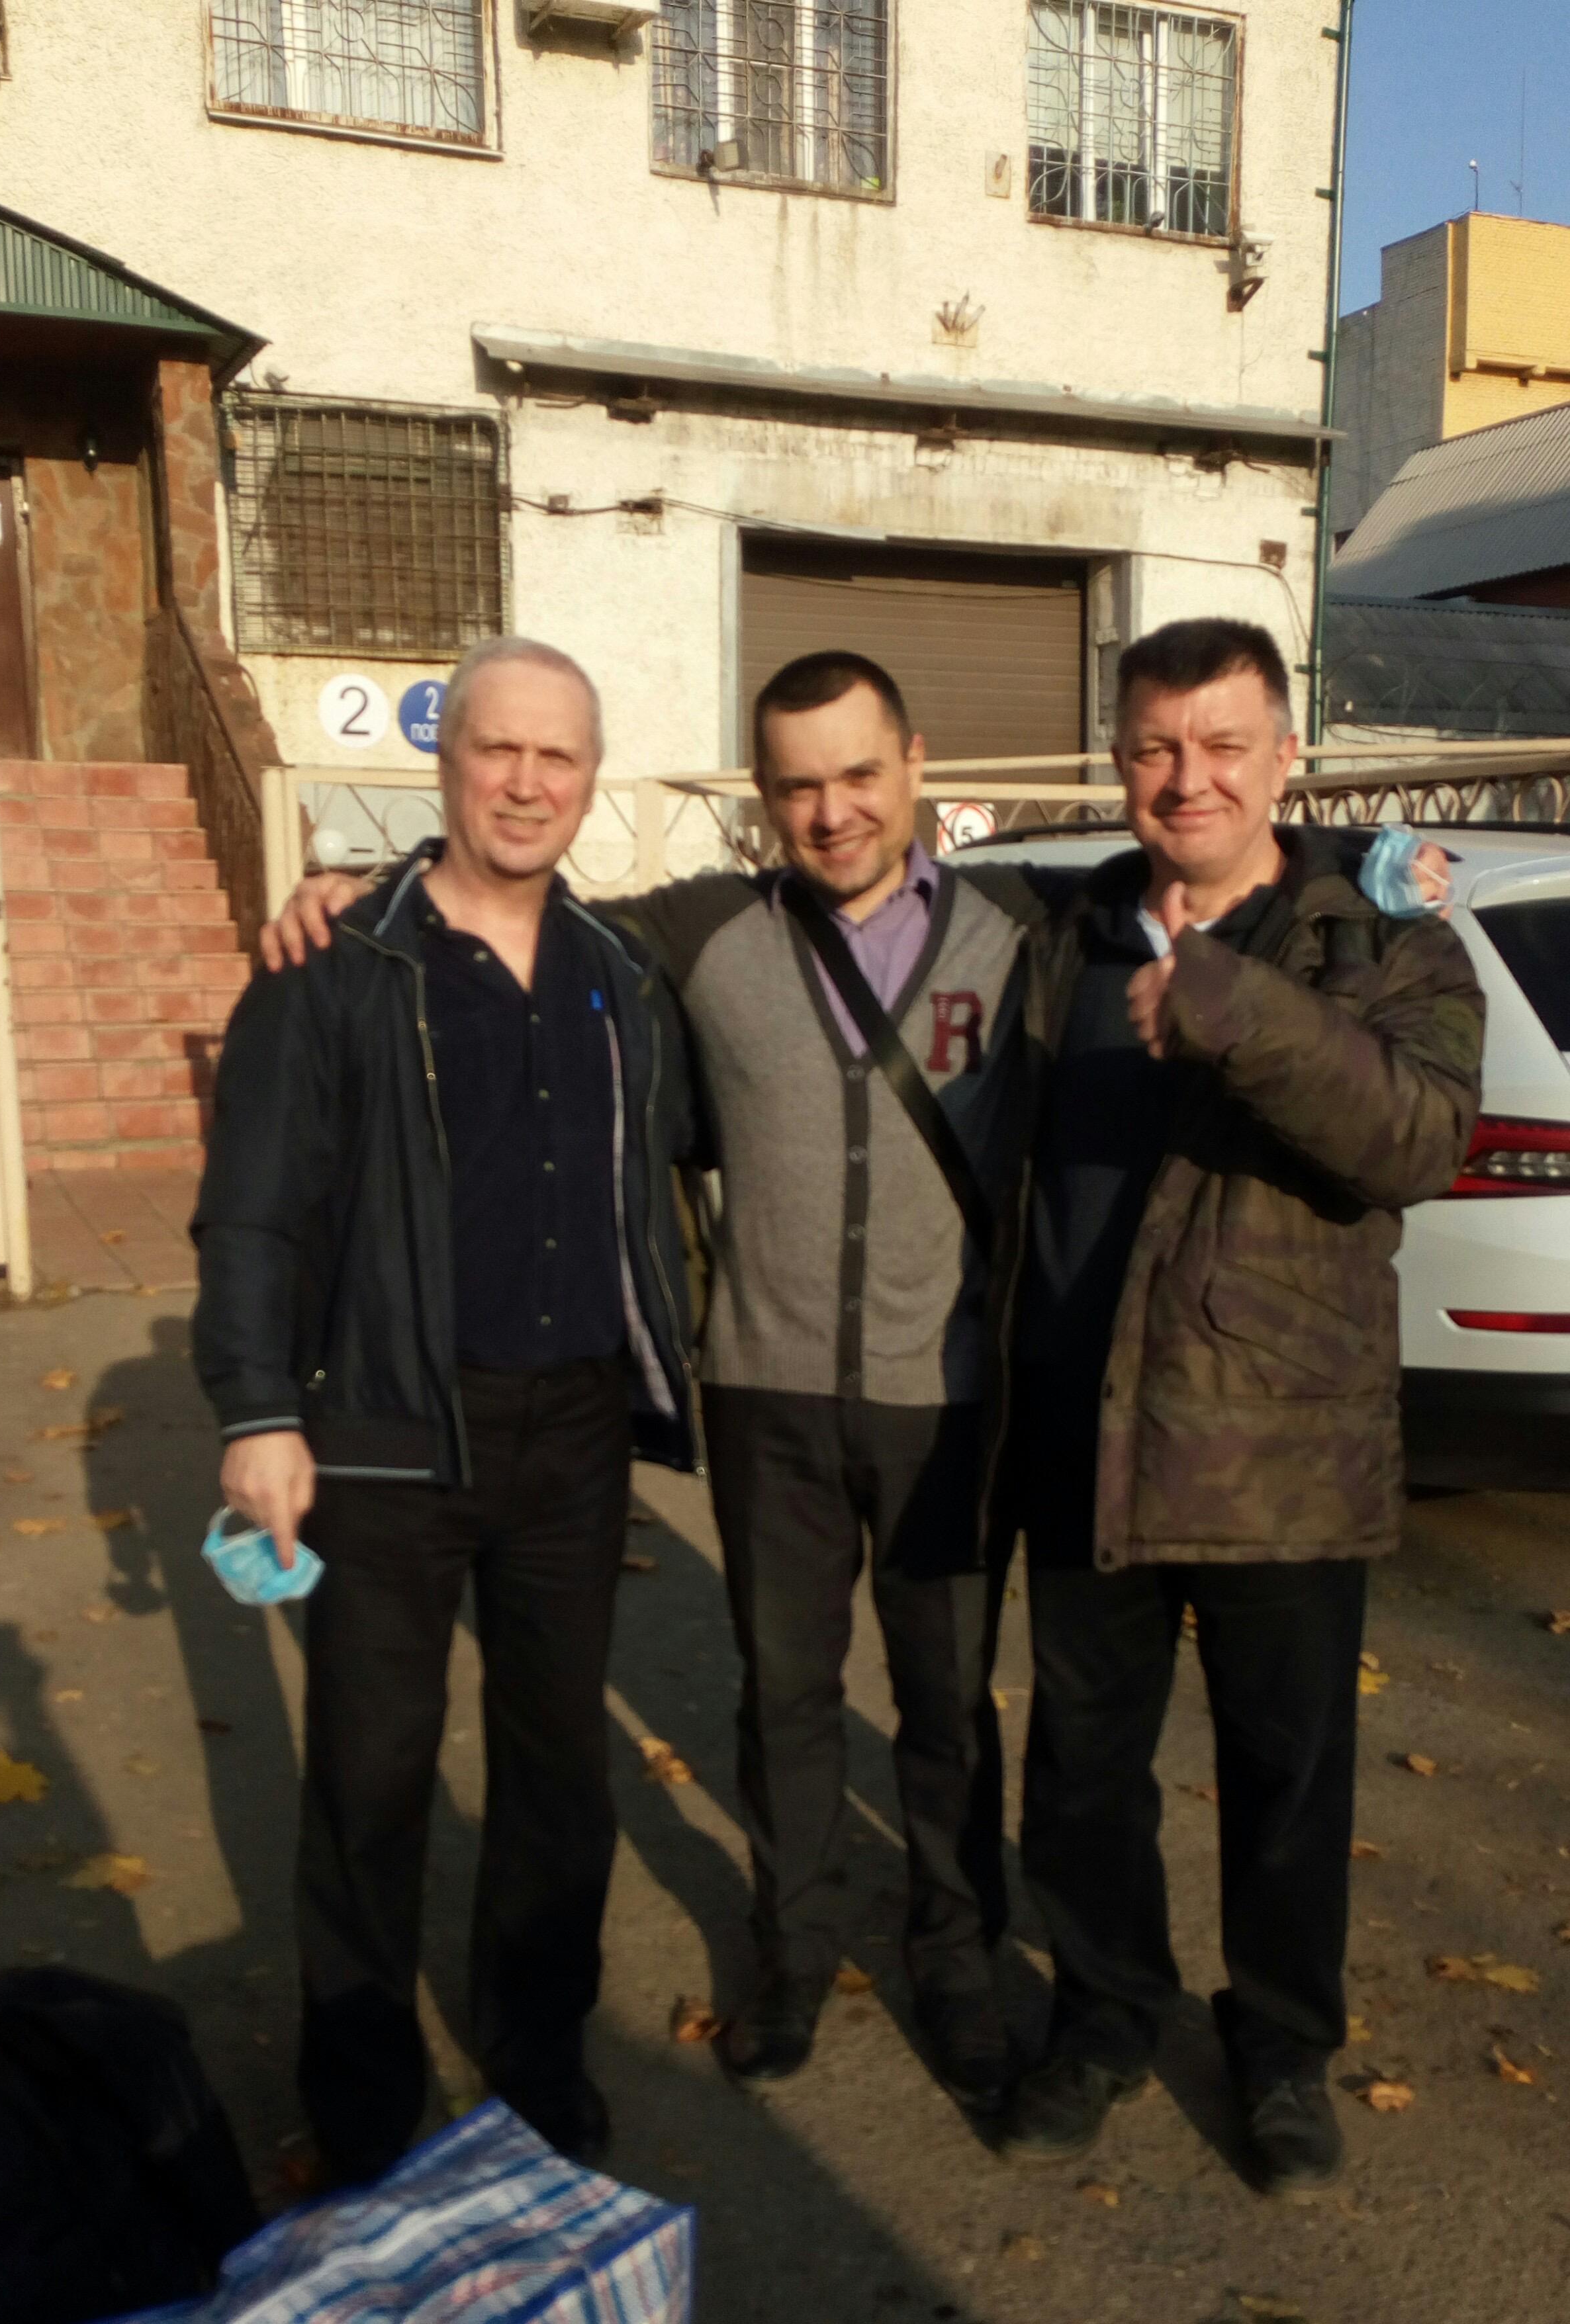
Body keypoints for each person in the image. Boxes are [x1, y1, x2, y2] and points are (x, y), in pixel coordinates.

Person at [262, 645, 1450, 2125]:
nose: (833, 812)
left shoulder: (1022, 923)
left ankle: (959, 1964)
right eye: (798, 786)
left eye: (860, 776)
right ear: (763, 800)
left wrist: (1370, 853)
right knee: (790, 1698)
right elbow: (509, 903)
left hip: (952, 1396)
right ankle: (792, 1953)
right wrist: (358, 888)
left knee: (954, 1709)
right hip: (768, 1394)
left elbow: (1224, 854)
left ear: (917, 768)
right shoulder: (699, 930)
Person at [987, 619, 1483, 2196]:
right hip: (1083, 1432)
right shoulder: (1060, 931)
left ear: (1286, 756)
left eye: (1220, 743)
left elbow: (1417, 1138)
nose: (1185, 775)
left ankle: (1278, 2045)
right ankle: (1102, 2014)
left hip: (1282, 1446)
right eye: (1153, 745)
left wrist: (1234, 1006)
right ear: (1118, 760)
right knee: (1081, 1769)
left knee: (1286, 1777)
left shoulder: (1381, 940)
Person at [192, 637, 696, 2185]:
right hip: (388, 1426)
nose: (526, 783)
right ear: (447, 760)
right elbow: (254, 1206)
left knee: (558, 1771)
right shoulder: (336, 964)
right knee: (370, 1774)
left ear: (590, 779)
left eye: (558, 756)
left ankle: (538, 2054)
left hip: (573, 1432)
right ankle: (360, 2097)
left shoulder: (620, 975)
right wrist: (256, 1408)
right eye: (499, 749)